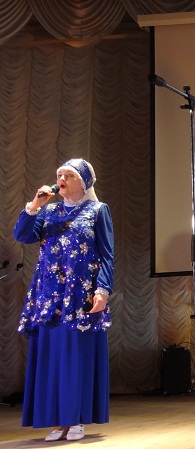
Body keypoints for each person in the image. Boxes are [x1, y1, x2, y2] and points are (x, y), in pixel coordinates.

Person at [13, 158, 114, 441]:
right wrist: (35, 205)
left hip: (81, 294)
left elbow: (107, 254)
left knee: (76, 355)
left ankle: (76, 419)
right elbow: (22, 235)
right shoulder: (49, 211)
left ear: (83, 182)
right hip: (49, 294)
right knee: (52, 355)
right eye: (59, 174)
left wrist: (102, 290)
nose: (61, 179)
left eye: (68, 175)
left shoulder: (97, 210)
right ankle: (57, 421)